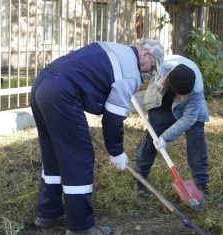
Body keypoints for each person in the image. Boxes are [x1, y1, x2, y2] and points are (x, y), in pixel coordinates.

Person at [30, 40, 164, 235]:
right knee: (79, 158)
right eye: (152, 67)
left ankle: (49, 213)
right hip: (62, 92)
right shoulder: (130, 75)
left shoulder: (114, 47)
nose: (149, 73)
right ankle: (81, 226)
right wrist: (116, 151)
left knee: (53, 154)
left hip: (42, 83)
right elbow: (113, 118)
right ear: (145, 53)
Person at [134, 55, 210, 197]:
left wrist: (165, 137)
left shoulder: (196, 90)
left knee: (197, 141)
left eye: (185, 95)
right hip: (163, 100)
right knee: (152, 136)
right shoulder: (162, 67)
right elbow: (145, 56)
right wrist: (159, 137)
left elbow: (189, 119)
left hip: (191, 108)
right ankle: (140, 180)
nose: (182, 98)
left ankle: (202, 185)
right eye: (181, 94)